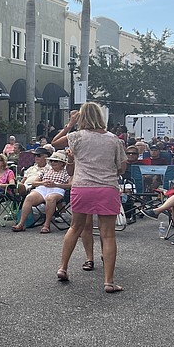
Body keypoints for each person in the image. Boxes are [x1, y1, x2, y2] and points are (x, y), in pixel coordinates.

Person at [51, 103, 127, 293]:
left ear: (82, 117)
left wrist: (70, 123)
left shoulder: (77, 136)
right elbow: (122, 167)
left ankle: (63, 267)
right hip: (107, 187)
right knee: (108, 234)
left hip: (82, 186)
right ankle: (108, 281)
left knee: (75, 227)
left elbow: (55, 142)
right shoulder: (113, 140)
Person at [11, 151, 71, 234]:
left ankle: (46, 225)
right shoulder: (46, 170)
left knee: (50, 198)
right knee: (29, 197)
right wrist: (43, 183)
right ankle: (21, 224)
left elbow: (70, 185)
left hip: (57, 189)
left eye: (55, 161)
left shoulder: (66, 172)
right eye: (51, 161)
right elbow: (34, 183)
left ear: (62, 163)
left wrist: (56, 185)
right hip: (43, 188)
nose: (53, 162)